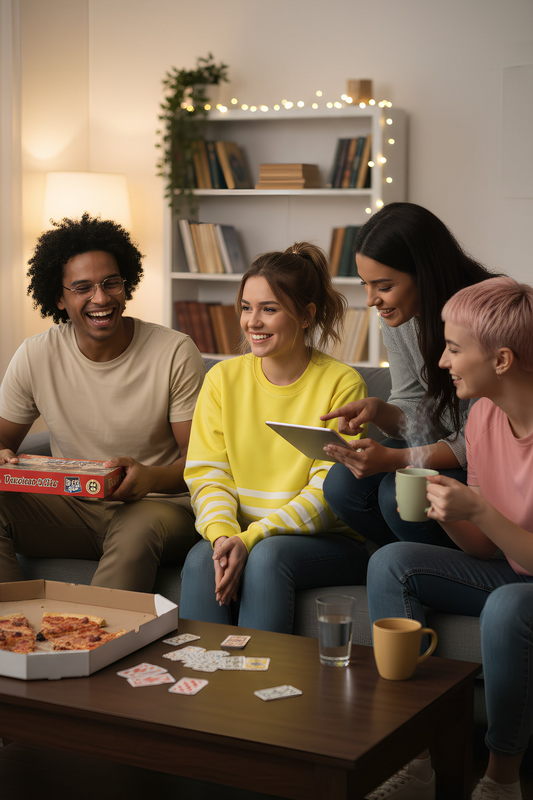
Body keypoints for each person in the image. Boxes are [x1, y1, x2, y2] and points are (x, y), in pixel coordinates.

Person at [366, 277, 533, 800]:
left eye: (455, 349)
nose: (443, 362)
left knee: (508, 606)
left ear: (502, 360)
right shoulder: (484, 417)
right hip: (512, 570)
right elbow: (485, 550)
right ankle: (414, 761)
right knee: (392, 562)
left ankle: (501, 781)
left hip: (522, 587)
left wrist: (478, 507)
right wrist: (444, 510)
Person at [0, 213, 205, 592]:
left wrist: (150, 476)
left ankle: (95, 643)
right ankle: (12, 634)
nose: (101, 298)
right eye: (83, 287)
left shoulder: (174, 351)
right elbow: (3, 439)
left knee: (136, 528)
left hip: (157, 506)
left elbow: (200, 460)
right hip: (71, 507)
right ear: (59, 298)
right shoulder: (35, 355)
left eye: (111, 282)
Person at [179, 242, 369, 633]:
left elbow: (326, 493)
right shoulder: (221, 380)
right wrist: (222, 537)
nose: (253, 322)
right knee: (201, 559)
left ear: (305, 315)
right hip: (243, 533)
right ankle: (200, 687)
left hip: (328, 541)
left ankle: (256, 687)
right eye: (246, 308)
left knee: (267, 557)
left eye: (269, 309)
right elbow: (208, 474)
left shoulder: (341, 384)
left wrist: (251, 539)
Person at [321, 202, 498, 548]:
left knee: (394, 493)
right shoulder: (400, 317)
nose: (372, 300)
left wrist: (397, 458)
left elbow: (478, 439)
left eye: (383, 286)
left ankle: (435, 568)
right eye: (365, 284)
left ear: (424, 272)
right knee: (340, 484)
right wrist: (379, 410)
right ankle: (395, 561)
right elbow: (416, 405)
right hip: (443, 441)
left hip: (483, 456)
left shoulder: (486, 318)